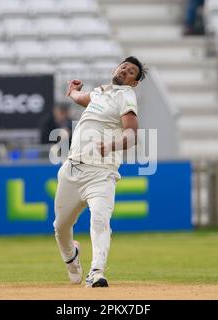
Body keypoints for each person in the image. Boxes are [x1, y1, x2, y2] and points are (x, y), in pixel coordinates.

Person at [53, 56, 147, 287]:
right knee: (61, 227)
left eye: (132, 72)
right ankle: (72, 260)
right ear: (116, 68)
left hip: (101, 173)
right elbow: (80, 98)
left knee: (100, 219)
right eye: (124, 66)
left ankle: (96, 272)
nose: (126, 71)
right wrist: (72, 91)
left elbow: (132, 134)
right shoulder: (99, 93)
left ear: (134, 83)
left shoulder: (126, 96)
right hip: (72, 170)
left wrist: (111, 146)